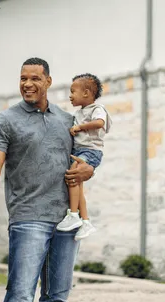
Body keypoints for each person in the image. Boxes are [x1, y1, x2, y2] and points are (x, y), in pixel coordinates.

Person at [0, 57, 94, 302]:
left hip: (66, 222)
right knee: (21, 296)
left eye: (35, 78)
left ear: (48, 81)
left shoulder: (67, 120)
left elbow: (87, 154)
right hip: (28, 218)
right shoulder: (7, 120)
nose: (28, 84)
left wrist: (89, 168)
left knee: (57, 297)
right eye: (23, 78)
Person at [56, 73, 112, 241]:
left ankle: (73, 214)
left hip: (91, 151)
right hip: (81, 151)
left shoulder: (97, 109)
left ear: (86, 93)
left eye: (73, 91)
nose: (70, 95)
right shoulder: (79, 112)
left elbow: (99, 123)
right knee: (77, 184)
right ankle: (85, 221)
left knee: (73, 175)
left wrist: (80, 127)